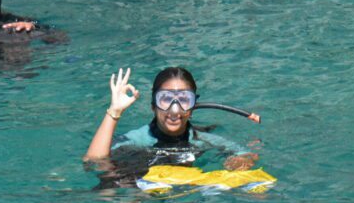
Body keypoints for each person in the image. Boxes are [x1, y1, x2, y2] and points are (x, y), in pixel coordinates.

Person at [84, 66, 258, 172]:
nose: (174, 110)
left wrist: (240, 162)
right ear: (153, 105)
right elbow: (93, 162)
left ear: (192, 108)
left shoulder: (204, 140)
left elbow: (245, 154)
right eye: (166, 99)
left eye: (184, 100)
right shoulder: (136, 140)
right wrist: (114, 112)